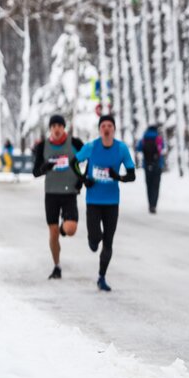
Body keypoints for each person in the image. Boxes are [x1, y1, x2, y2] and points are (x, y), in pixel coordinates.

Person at [74, 114, 136, 292]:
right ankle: (92, 240)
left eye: (110, 126)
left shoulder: (121, 149)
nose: (107, 129)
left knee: (108, 242)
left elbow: (132, 175)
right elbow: (74, 163)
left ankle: (101, 276)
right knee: (95, 239)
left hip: (112, 202)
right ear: (100, 130)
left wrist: (119, 177)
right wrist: (84, 179)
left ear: (114, 129)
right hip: (93, 200)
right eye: (103, 126)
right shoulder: (91, 147)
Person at [32, 114, 86, 280]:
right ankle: (57, 266)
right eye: (53, 126)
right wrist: (44, 168)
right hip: (52, 194)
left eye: (59, 125)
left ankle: (64, 229)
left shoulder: (75, 143)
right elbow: (35, 172)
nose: (56, 129)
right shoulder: (43, 146)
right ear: (50, 129)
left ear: (64, 128)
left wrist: (81, 179)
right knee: (53, 232)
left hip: (69, 193)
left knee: (70, 230)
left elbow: (91, 158)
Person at [135, 124, 166, 214]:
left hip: (147, 165)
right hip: (157, 165)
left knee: (149, 185)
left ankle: (150, 204)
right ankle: (154, 205)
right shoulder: (158, 138)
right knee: (156, 186)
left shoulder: (144, 138)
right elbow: (162, 148)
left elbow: (138, 148)